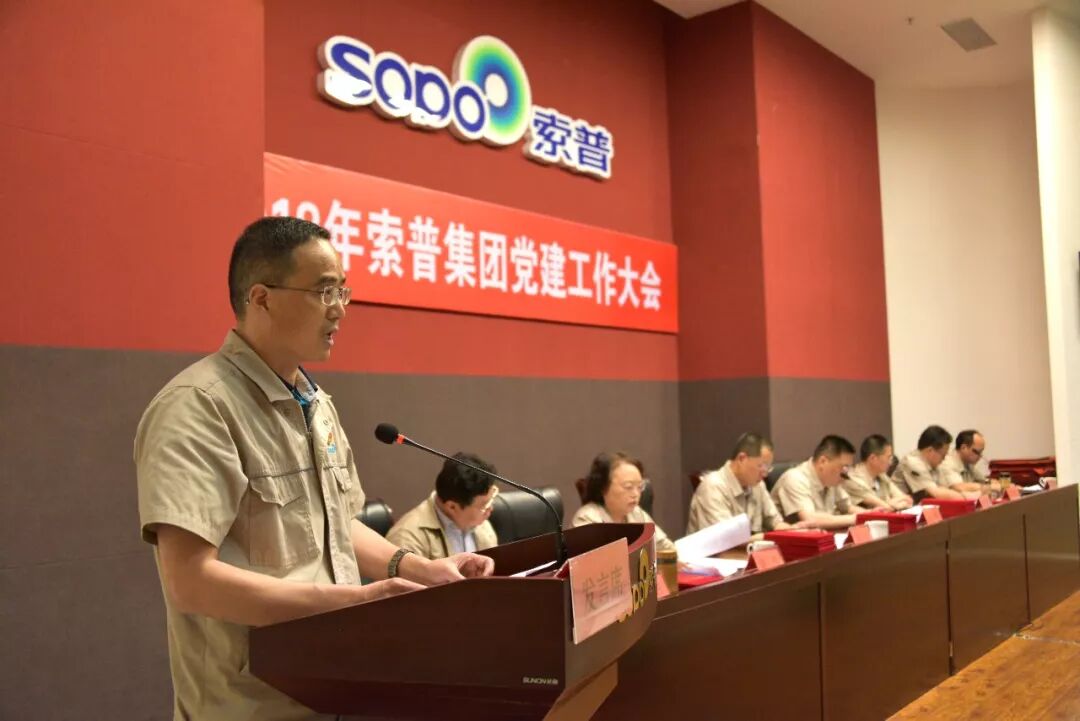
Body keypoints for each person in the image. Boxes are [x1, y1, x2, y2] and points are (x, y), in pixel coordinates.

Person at [134, 216, 493, 720]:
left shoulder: (316, 403)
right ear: (262, 298)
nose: (340, 308)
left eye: (343, 291)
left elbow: (338, 523)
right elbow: (191, 581)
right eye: (324, 291)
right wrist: (357, 602)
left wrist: (418, 569)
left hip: (337, 688)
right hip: (253, 705)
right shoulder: (198, 408)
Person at [387, 452, 500, 559]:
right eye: (484, 506)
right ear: (452, 507)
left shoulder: (482, 526)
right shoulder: (407, 539)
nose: (490, 509)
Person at [686, 432, 799, 537]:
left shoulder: (758, 485)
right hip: (719, 552)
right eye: (761, 466)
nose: (765, 474)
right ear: (742, 459)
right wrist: (765, 537)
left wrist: (794, 531)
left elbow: (774, 521)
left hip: (749, 549)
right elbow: (727, 538)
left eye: (768, 468)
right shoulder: (713, 487)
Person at [571, 451, 677, 553]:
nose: (635, 494)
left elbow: (666, 548)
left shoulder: (637, 513)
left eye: (640, 487)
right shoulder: (586, 520)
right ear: (603, 487)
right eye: (628, 487)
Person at [771, 436, 859, 529]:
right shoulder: (795, 478)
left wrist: (867, 516)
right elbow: (810, 519)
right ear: (823, 461)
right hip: (793, 536)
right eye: (844, 468)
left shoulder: (831, 480)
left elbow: (848, 507)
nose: (846, 474)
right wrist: (855, 519)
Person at [891, 425, 976, 502]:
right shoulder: (912, 462)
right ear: (930, 451)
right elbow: (936, 493)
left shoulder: (934, 464)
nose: (944, 459)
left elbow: (945, 488)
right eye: (943, 455)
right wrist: (966, 497)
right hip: (900, 509)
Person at [843, 434, 913, 510]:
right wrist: (892, 503)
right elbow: (886, 508)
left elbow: (907, 500)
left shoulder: (881, 475)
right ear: (873, 458)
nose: (890, 462)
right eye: (888, 457)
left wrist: (893, 502)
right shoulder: (853, 480)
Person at [938, 429, 998, 495]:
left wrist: (996, 484)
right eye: (977, 452)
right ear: (963, 448)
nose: (980, 456)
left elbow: (983, 480)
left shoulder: (968, 462)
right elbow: (959, 487)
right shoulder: (947, 462)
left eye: (981, 452)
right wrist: (989, 487)